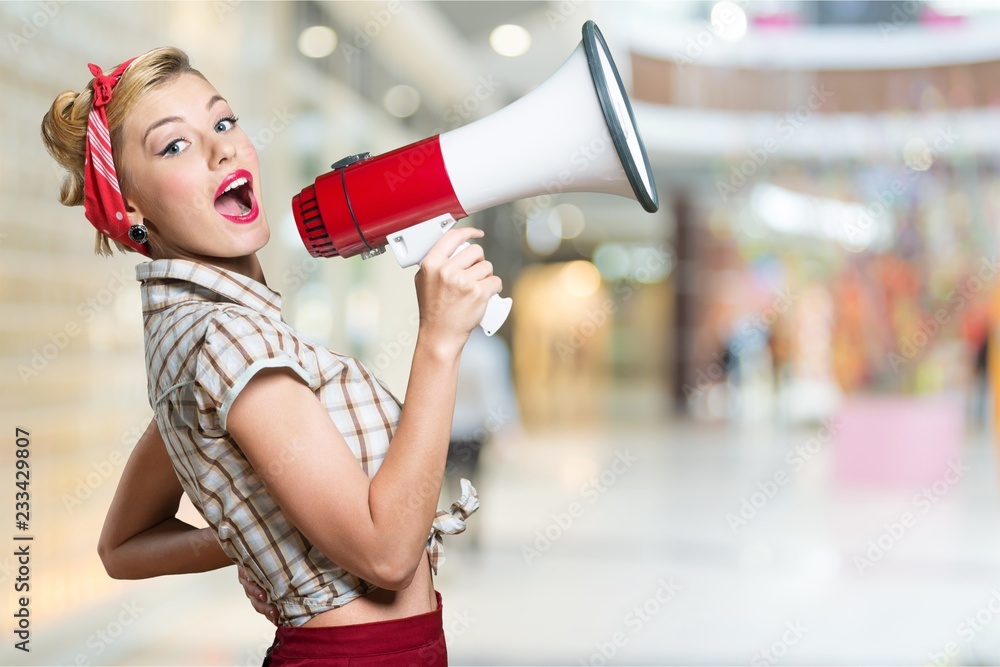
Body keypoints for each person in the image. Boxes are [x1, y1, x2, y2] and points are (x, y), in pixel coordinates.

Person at [41, 47, 500, 665]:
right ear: (130, 208)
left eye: (223, 122)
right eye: (173, 146)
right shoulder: (231, 342)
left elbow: (123, 545)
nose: (220, 148)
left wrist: (266, 538)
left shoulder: (195, 335)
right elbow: (388, 556)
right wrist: (440, 343)